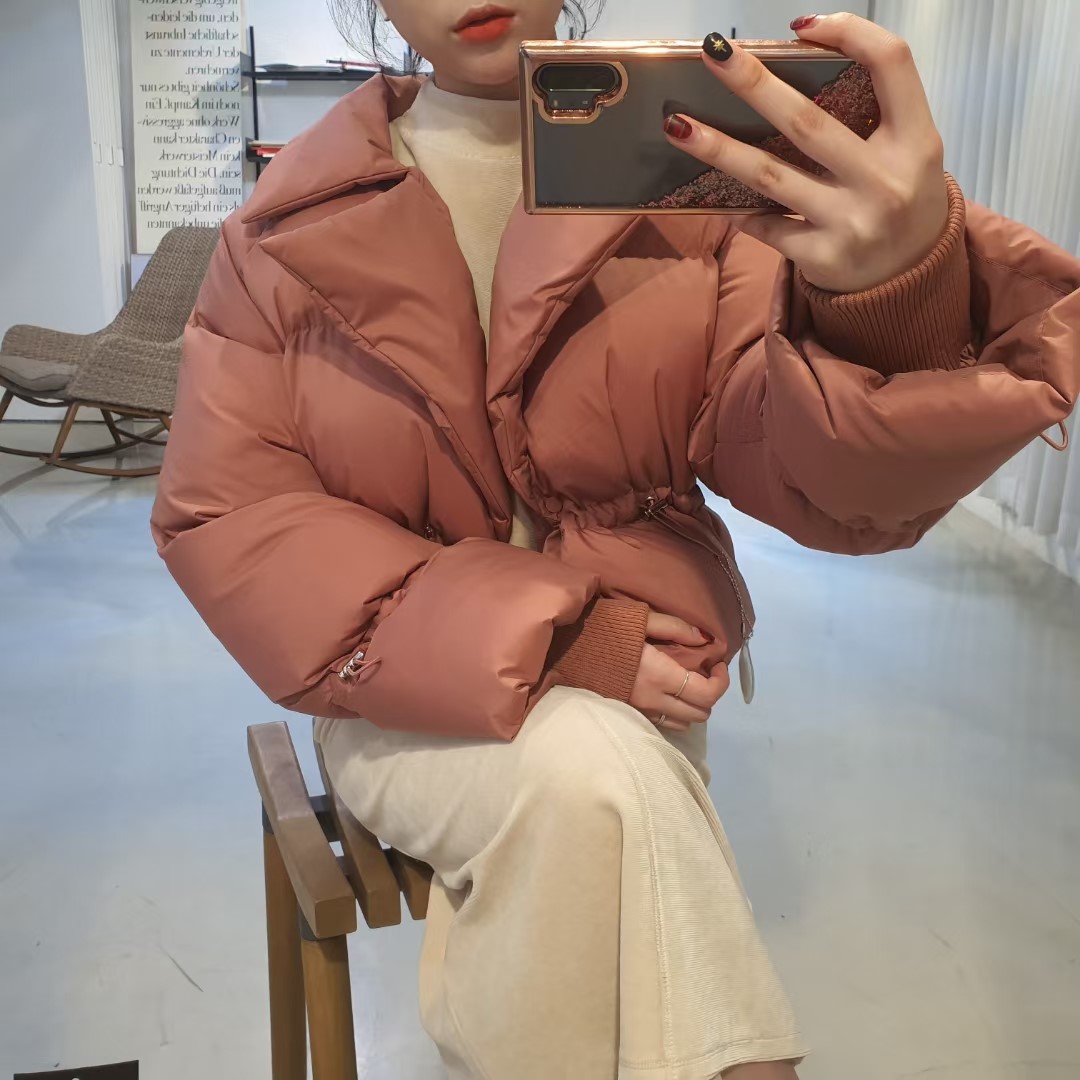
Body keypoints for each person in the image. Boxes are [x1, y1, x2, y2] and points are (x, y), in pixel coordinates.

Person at [150, 2, 1080, 1076]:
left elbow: (801, 463)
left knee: (599, 799)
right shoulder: (280, 231)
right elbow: (236, 516)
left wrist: (885, 300)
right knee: (599, 787)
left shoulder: (688, 177)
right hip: (397, 692)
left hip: (648, 679)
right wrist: (560, 645)